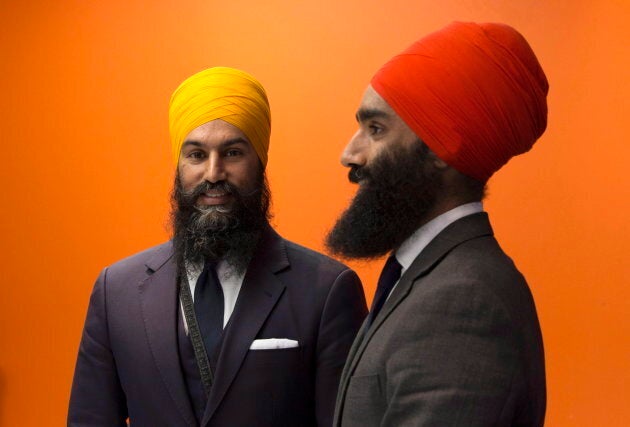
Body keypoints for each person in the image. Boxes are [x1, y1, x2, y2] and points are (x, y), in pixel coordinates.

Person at [68, 67, 367, 427]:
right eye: (196, 154)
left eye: (233, 152)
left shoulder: (326, 290)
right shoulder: (115, 291)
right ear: (178, 166)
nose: (213, 172)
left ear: (261, 162)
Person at [327, 22, 547, 426]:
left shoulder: (462, 302)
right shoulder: (428, 276)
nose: (349, 154)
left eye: (375, 129)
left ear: (442, 146)